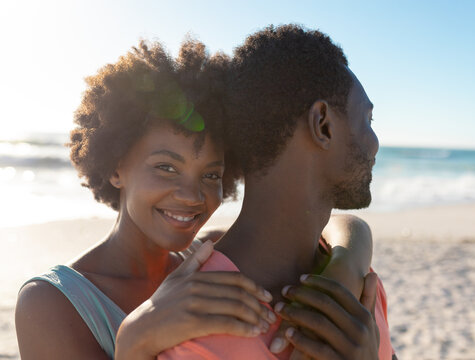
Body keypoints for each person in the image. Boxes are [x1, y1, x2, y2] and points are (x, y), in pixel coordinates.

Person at [15, 39, 376, 359]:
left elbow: (342, 225)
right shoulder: (49, 302)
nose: (192, 196)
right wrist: (136, 340)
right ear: (115, 168)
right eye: (166, 168)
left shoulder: (209, 252)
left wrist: (345, 266)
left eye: (211, 175)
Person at [159, 24, 396, 359]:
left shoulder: (355, 279)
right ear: (323, 125)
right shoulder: (195, 327)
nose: (374, 145)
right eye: (368, 120)